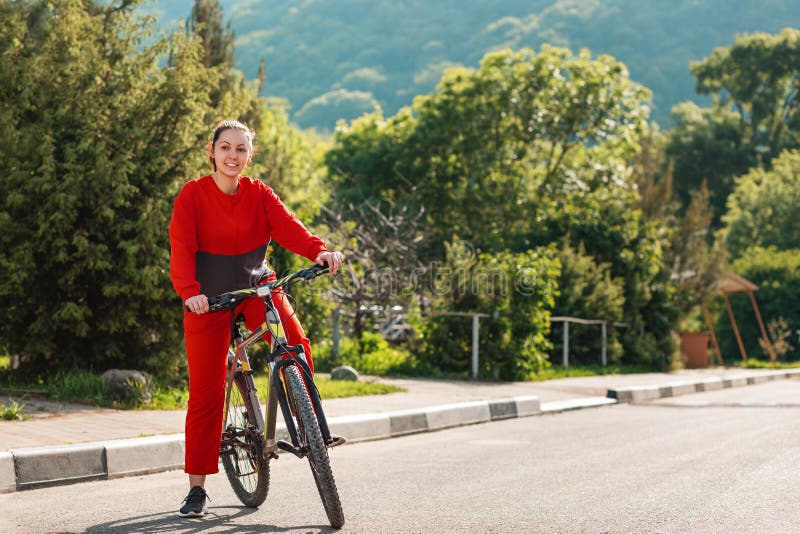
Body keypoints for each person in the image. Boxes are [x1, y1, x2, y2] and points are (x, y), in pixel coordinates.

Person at [169, 119, 344, 517]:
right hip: (208, 298)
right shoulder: (192, 196)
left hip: (256, 285)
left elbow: (288, 227)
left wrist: (318, 250)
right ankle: (197, 487)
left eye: (241, 150)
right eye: (226, 148)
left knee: (295, 342)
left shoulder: (258, 193)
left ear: (250, 155)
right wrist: (190, 292)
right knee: (207, 393)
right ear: (211, 152)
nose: (233, 156)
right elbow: (181, 248)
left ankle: (310, 428)